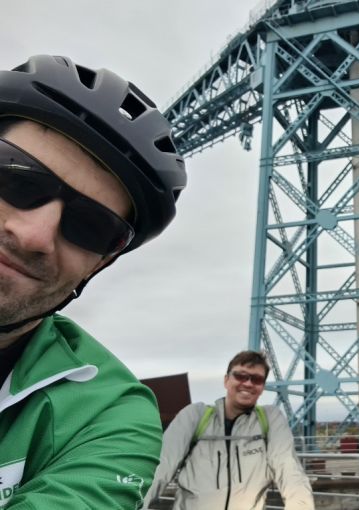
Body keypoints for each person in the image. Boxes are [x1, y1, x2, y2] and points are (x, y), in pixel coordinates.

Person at [0, 54, 186, 508]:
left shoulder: (111, 415)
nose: (35, 236)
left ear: (100, 264)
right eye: (16, 179)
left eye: (92, 226)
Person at [144, 350, 314, 510]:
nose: (248, 383)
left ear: (262, 387)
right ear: (226, 380)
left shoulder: (270, 419)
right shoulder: (195, 416)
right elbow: (160, 466)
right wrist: (134, 503)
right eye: (240, 376)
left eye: (256, 379)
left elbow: (290, 471)